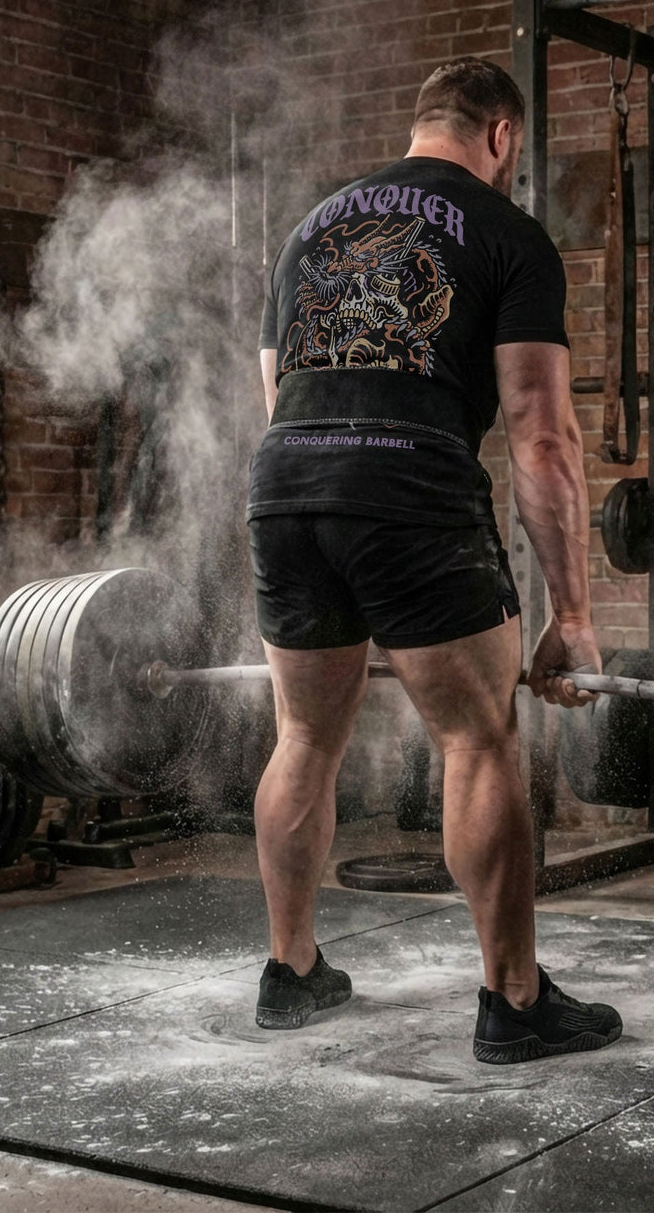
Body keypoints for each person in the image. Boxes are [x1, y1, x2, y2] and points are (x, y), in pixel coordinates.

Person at [247, 56, 621, 1063]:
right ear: (499, 134)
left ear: (421, 124)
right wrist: (572, 616)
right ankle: (512, 998)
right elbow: (542, 435)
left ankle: (290, 970)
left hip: (284, 484)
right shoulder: (507, 233)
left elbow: (281, 397)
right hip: (408, 484)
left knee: (301, 732)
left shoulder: (308, 230)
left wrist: (341, 553)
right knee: (476, 734)